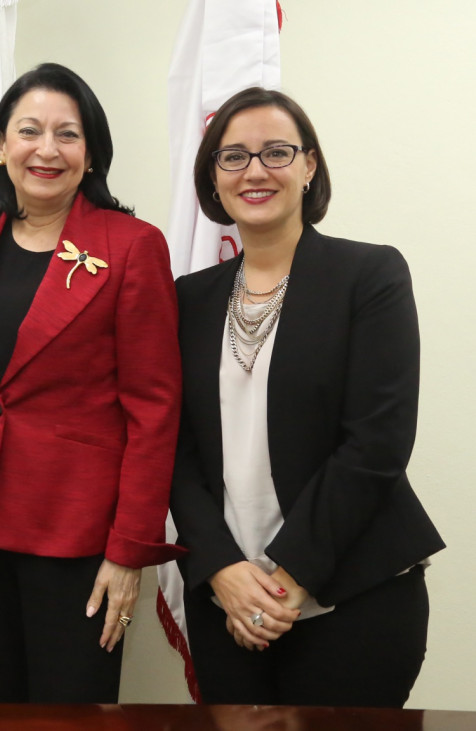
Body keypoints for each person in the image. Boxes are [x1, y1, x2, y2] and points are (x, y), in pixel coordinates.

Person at [0, 62, 183, 704]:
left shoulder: (133, 246)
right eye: (29, 130)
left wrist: (129, 550)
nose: (47, 149)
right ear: (2, 146)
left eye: (68, 134)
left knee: (72, 715)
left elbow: (155, 409)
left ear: (91, 155)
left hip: (81, 539)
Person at [170, 87, 444, 706]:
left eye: (276, 152)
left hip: (355, 596)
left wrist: (287, 580)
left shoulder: (369, 276)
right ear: (213, 176)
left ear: (309, 165)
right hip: (228, 603)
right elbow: (174, 451)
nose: (255, 171)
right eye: (233, 156)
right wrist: (221, 570)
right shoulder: (185, 299)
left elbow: (377, 442)